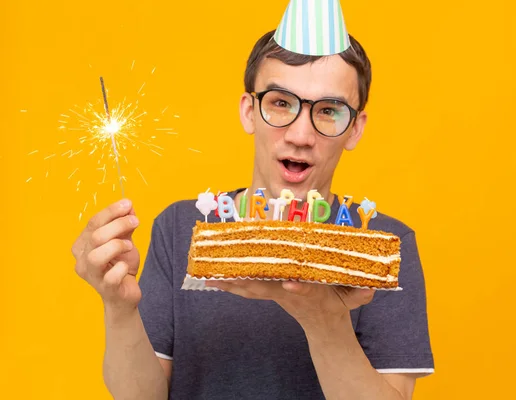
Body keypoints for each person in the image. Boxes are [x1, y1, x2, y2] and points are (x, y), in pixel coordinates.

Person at [71, 2, 434, 399]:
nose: (300, 135)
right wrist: (119, 309)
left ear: (355, 129)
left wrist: (322, 317)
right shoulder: (181, 230)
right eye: (281, 103)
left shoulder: (382, 248)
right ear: (249, 111)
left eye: (329, 110)